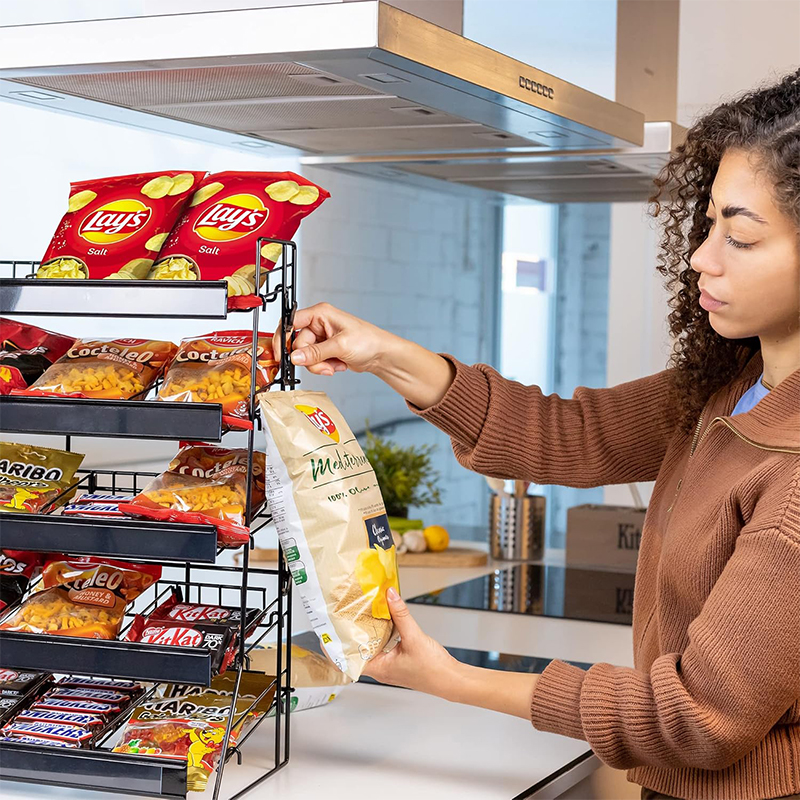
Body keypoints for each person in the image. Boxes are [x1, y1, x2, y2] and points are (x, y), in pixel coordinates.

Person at [275, 69, 800, 800]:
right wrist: (382, 351)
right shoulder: (731, 389)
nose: (701, 257)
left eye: (740, 237)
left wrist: (453, 679)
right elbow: (572, 434)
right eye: (710, 223)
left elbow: (698, 718)